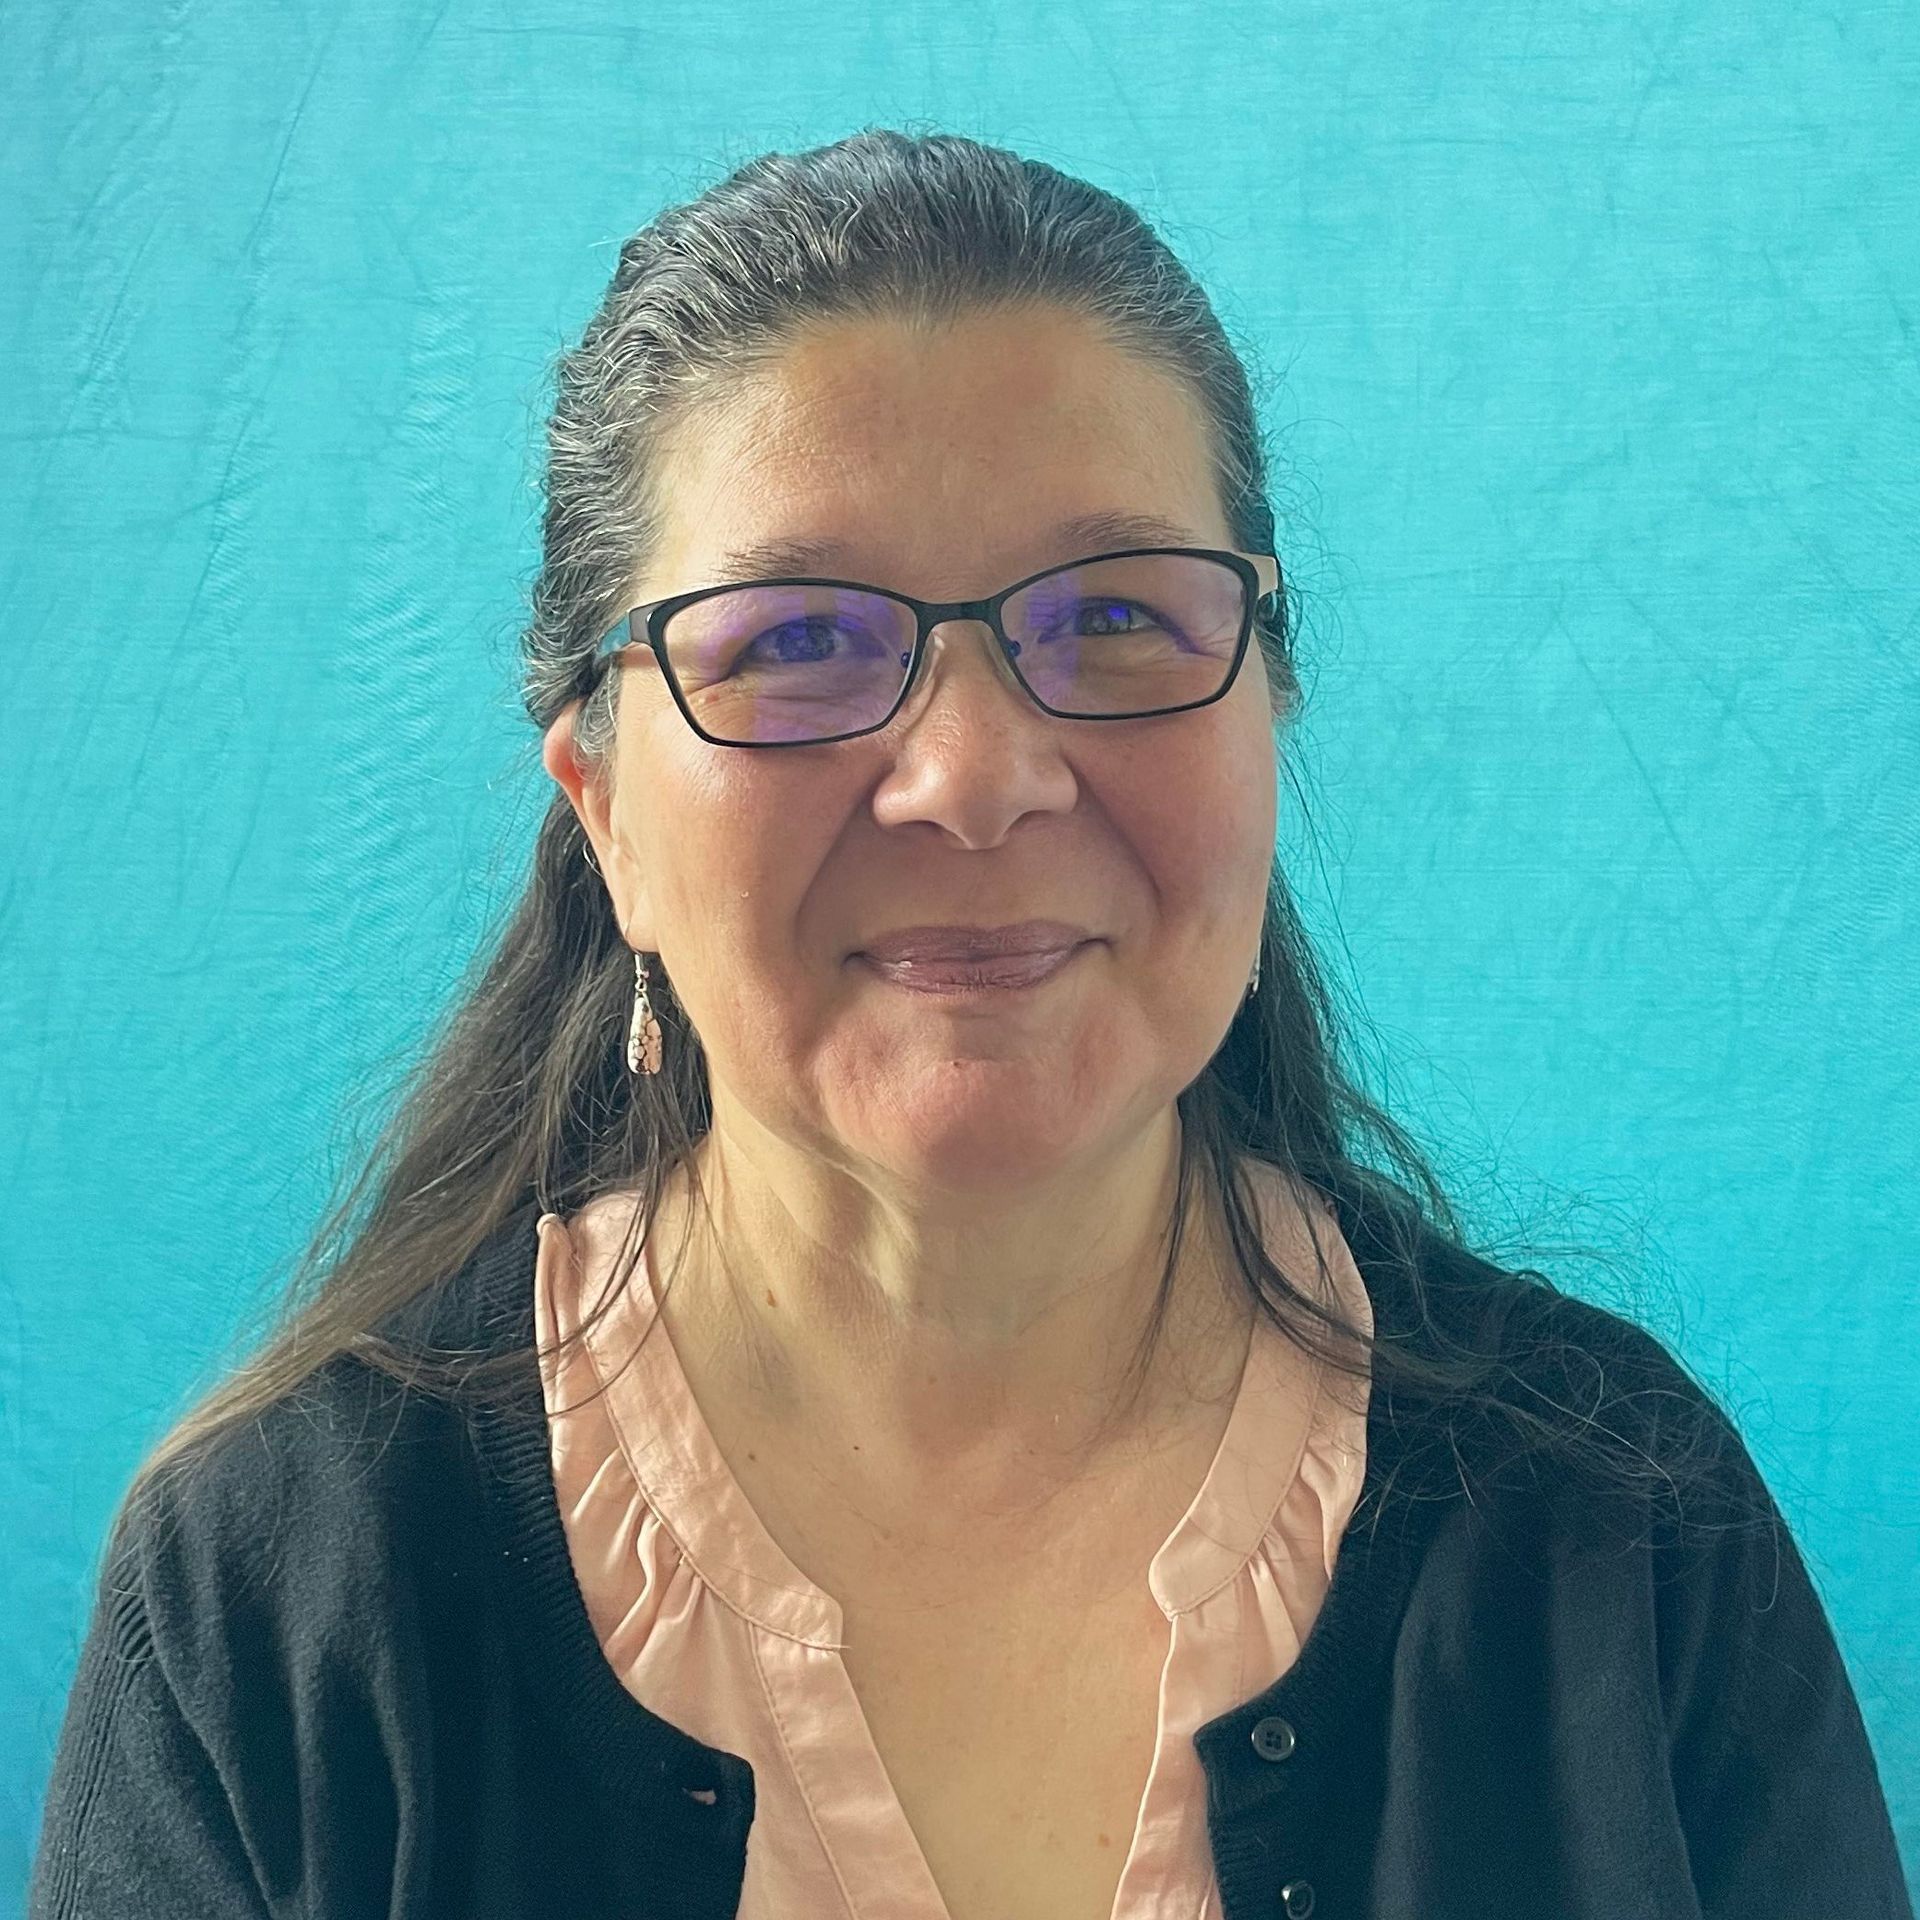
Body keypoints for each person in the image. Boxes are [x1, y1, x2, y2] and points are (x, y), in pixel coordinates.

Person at [28, 128, 1912, 1920]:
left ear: (1269, 713)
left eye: (1115, 618)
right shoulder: (270, 1599)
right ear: (605, 817)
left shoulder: (1626, 1542)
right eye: (794, 640)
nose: (977, 777)